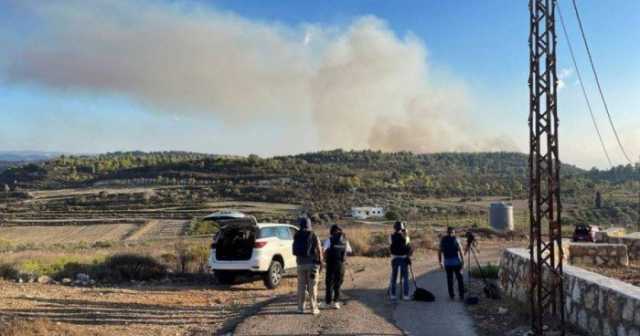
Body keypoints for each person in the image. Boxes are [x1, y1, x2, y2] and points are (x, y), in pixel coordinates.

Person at [292, 217, 323, 315]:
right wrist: (321, 262)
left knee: (301, 287)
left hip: (300, 264)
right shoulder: (313, 235)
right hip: (312, 265)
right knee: (312, 287)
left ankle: (300, 308)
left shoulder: (296, 235)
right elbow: (319, 250)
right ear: (309, 225)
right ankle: (314, 308)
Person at [322, 224, 352, 309]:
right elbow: (350, 250)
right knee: (338, 284)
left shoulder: (329, 240)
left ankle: (327, 302)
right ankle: (336, 302)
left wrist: (324, 260)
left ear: (331, 231)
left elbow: (324, 250)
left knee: (329, 283)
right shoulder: (345, 240)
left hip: (331, 264)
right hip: (341, 265)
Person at [439, 227, 465, 300]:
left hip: (447, 263)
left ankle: (451, 295)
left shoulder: (443, 240)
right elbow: (461, 251)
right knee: (460, 279)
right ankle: (461, 295)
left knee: (449, 279)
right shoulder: (456, 239)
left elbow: (439, 251)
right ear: (453, 232)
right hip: (456, 262)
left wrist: (440, 262)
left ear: (447, 232)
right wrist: (463, 261)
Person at [389, 221, 413, 301]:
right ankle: (405, 295)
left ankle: (393, 294)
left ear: (394, 228)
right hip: (403, 258)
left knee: (394, 277)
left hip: (394, 258)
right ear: (402, 228)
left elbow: (390, 245)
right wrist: (406, 235)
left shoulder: (391, 236)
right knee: (405, 278)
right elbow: (408, 247)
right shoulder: (406, 237)